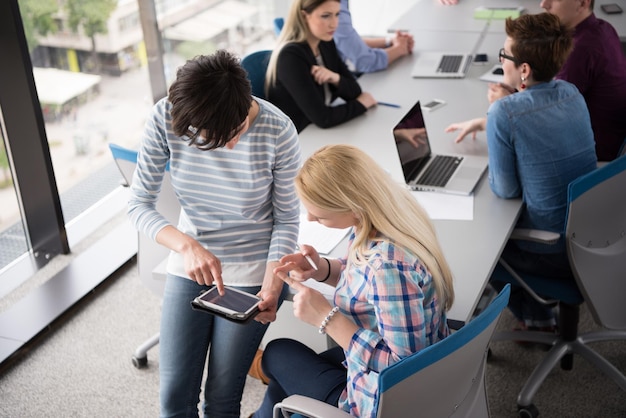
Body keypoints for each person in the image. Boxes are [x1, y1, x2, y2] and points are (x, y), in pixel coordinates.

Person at [127, 50, 302, 417]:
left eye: (237, 131)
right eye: (218, 140)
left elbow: (287, 219)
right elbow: (138, 204)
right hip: (192, 263)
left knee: (222, 397)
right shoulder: (166, 117)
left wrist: (272, 285)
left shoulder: (278, 130)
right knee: (174, 397)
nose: (232, 145)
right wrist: (186, 245)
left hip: (256, 269)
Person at [251, 144, 455, 418]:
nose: (310, 218)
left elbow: (406, 369)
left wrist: (327, 318)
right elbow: (362, 277)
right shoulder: (383, 218)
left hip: (383, 400)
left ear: (354, 207)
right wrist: (321, 268)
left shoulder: (388, 266)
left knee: (277, 353)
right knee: (285, 376)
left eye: (320, 215)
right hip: (384, 365)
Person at [445, 13, 597, 332]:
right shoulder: (571, 91)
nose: (502, 61)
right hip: (591, 233)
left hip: (552, 249)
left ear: (523, 69)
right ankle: (536, 315)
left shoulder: (504, 111)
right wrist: (490, 123)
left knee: (478, 245)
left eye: (505, 55)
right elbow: (538, 120)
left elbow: (506, 190)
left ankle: (536, 318)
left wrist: (494, 116)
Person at [489, 0, 626, 161]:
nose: (543, 4)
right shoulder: (603, 27)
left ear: (582, 3)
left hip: (596, 156)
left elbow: (547, 123)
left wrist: (501, 113)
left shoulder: (578, 51)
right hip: (612, 139)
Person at [265, 0, 377, 133]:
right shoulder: (290, 56)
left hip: (318, 131)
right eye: (326, 16)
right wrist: (361, 104)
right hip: (300, 136)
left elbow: (355, 91)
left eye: (337, 14)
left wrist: (335, 78)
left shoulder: (325, 43)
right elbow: (324, 119)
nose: (334, 24)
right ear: (304, 16)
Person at [333, 0, 414, 74]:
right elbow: (365, 62)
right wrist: (399, 49)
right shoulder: (335, 8)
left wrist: (390, 41)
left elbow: (351, 43)